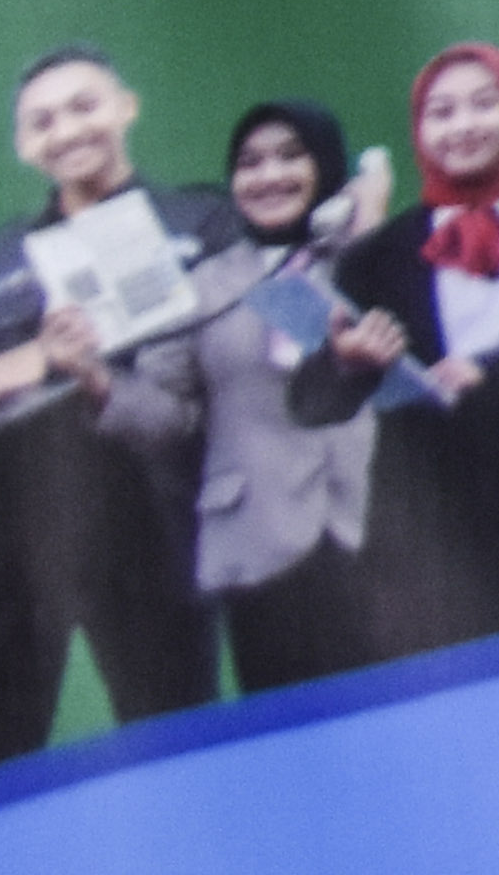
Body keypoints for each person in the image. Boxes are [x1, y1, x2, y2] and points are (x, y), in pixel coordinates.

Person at [0, 49, 221, 770]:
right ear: (21, 145)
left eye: (84, 107)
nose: (66, 131)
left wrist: (47, 364)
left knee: (177, 747)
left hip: (156, 525)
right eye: (42, 121)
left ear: (127, 106)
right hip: (16, 542)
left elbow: (213, 369)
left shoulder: (200, 221)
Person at [302, 44, 499, 659]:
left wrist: (489, 373)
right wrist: (346, 358)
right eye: (442, 112)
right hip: (436, 524)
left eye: (484, 104)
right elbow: (310, 404)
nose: (464, 126)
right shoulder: (378, 253)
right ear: (420, 130)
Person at [173, 102, 395, 693]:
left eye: (291, 157)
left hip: (374, 530)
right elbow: (167, 413)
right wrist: (98, 385)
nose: (269, 176)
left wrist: (364, 225)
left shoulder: (371, 253)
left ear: (326, 166)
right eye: (249, 163)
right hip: (259, 541)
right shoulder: (206, 287)